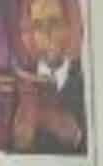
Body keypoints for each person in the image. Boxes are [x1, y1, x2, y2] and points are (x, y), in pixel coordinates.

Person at [13, 0, 87, 155]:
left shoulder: (85, 80)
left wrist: (77, 136)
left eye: (54, 23)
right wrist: (21, 140)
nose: (46, 33)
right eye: (38, 25)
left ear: (69, 27)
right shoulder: (21, 84)